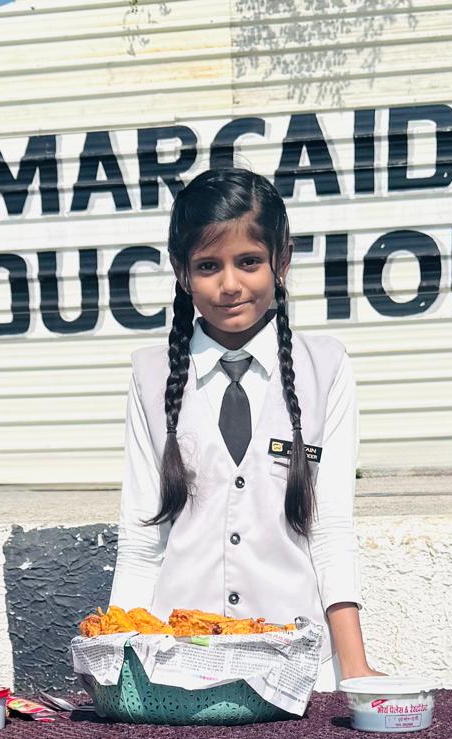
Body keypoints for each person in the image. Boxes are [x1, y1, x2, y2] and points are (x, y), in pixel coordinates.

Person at [109, 168, 380, 687]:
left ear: (282, 260)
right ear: (181, 272)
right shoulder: (150, 375)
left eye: (249, 262)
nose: (230, 285)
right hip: (177, 672)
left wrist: (354, 666)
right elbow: (142, 540)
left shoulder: (326, 368)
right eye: (208, 266)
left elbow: (330, 529)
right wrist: (120, 667)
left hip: (300, 672)